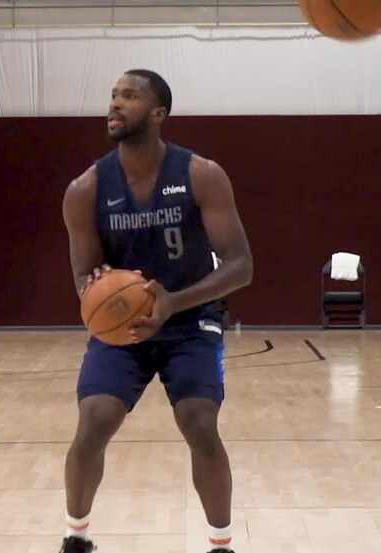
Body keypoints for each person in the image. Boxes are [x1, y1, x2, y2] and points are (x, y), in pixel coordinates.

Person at [60, 70, 253, 553]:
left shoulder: (200, 175)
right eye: (113, 95)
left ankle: (221, 545)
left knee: (199, 422)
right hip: (122, 326)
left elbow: (241, 265)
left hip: (189, 319)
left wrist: (171, 303)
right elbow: (84, 277)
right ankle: (76, 536)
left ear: (158, 113)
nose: (116, 103)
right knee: (94, 422)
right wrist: (103, 292)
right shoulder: (85, 189)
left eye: (130, 96)